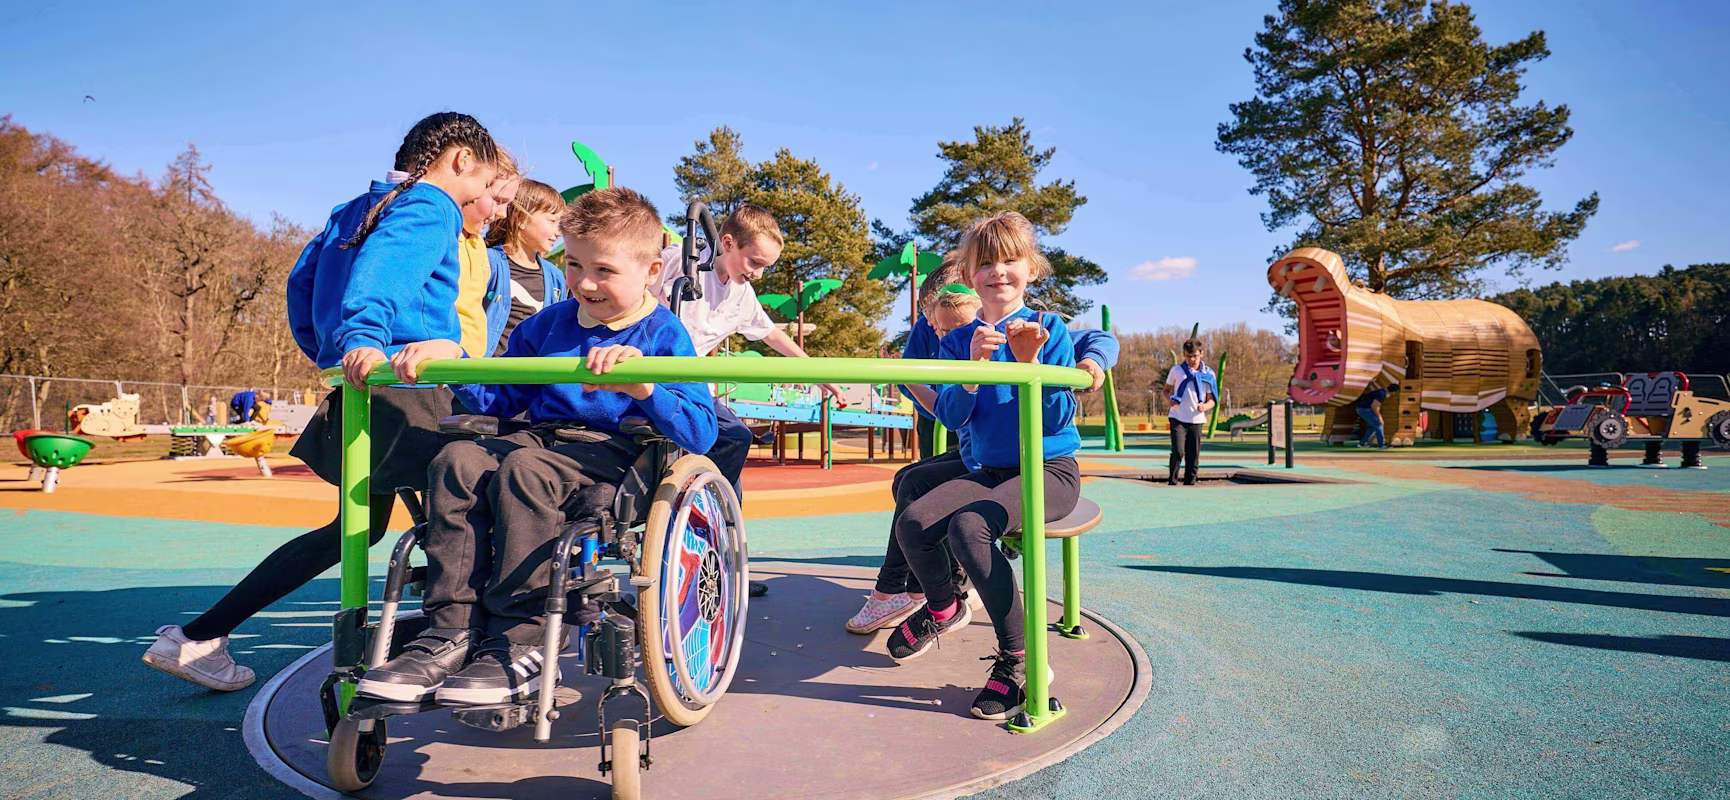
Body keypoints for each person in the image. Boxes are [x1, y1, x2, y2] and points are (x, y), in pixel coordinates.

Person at [143, 112, 505, 692]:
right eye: (486, 184)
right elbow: (382, 276)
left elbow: (302, 283)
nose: (484, 199)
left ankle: (199, 637)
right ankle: (457, 647)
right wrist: (364, 335)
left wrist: (332, 351)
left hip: (360, 392)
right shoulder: (432, 203)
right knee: (470, 517)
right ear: (461, 159)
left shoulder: (355, 207)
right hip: (409, 393)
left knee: (354, 533)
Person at [356, 187, 717, 705]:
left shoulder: (664, 335)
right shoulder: (547, 326)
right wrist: (454, 358)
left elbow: (701, 431)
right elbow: (498, 399)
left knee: (525, 469)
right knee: (457, 459)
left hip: (614, 455)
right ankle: (450, 630)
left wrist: (646, 389)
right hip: (539, 442)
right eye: (572, 264)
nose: (584, 282)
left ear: (652, 271)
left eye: (604, 271)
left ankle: (519, 642)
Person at [888, 211, 1082, 722]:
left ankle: (1017, 661)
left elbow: (1057, 417)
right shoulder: (958, 341)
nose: (999, 271)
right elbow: (951, 416)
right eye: (987, 263)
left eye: (1010, 260)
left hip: (1049, 470)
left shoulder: (1049, 329)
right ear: (971, 276)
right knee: (913, 521)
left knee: (969, 527)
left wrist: (1028, 366)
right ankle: (944, 607)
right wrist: (972, 370)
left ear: (1031, 269)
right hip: (992, 470)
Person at [654, 203, 841, 598]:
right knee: (732, 437)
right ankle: (685, 522)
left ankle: (719, 559)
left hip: (690, 384)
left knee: (732, 465)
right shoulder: (678, 263)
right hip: (652, 372)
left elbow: (772, 335)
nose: (757, 273)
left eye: (764, 267)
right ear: (726, 242)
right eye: (754, 261)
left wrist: (817, 373)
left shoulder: (741, 293)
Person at [848, 288, 984, 635]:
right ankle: (920, 585)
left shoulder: (996, 334)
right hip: (974, 450)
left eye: (945, 328)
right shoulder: (952, 344)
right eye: (936, 327)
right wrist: (908, 376)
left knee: (916, 486)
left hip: (992, 459)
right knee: (909, 478)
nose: (941, 337)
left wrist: (1092, 362)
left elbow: (953, 412)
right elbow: (949, 410)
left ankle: (902, 589)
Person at [483, 178, 569, 356]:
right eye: (552, 221)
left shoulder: (555, 277)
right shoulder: (487, 261)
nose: (558, 232)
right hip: (487, 375)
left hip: (530, 378)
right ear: (520, 218)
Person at [1165, 339, 1217, 485]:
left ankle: (1190, 482)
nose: (1192, 359)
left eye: (1195, 356)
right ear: (1184, 355)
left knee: (1193, 454)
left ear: (1201, 354)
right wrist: (1169, 400)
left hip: (1197, 419)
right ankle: (1173, 481)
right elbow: (1166, 391)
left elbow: (1212, 399)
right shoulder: (1176, 370)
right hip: (1177, 417)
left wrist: (1205, 407)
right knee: (1178, 451)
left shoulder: (1209, 374)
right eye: (1188, 356)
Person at [1357, 381, 1395, 448]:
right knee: (1378, 424)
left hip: (1361, 408)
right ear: (1393, 392)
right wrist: (1380, 417)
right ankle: (1382, 444)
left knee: (1373, 426)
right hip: (1364, 409)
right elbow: (1374, 406)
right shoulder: (1381, 394)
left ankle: (1362, 443)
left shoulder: (1381, 391)